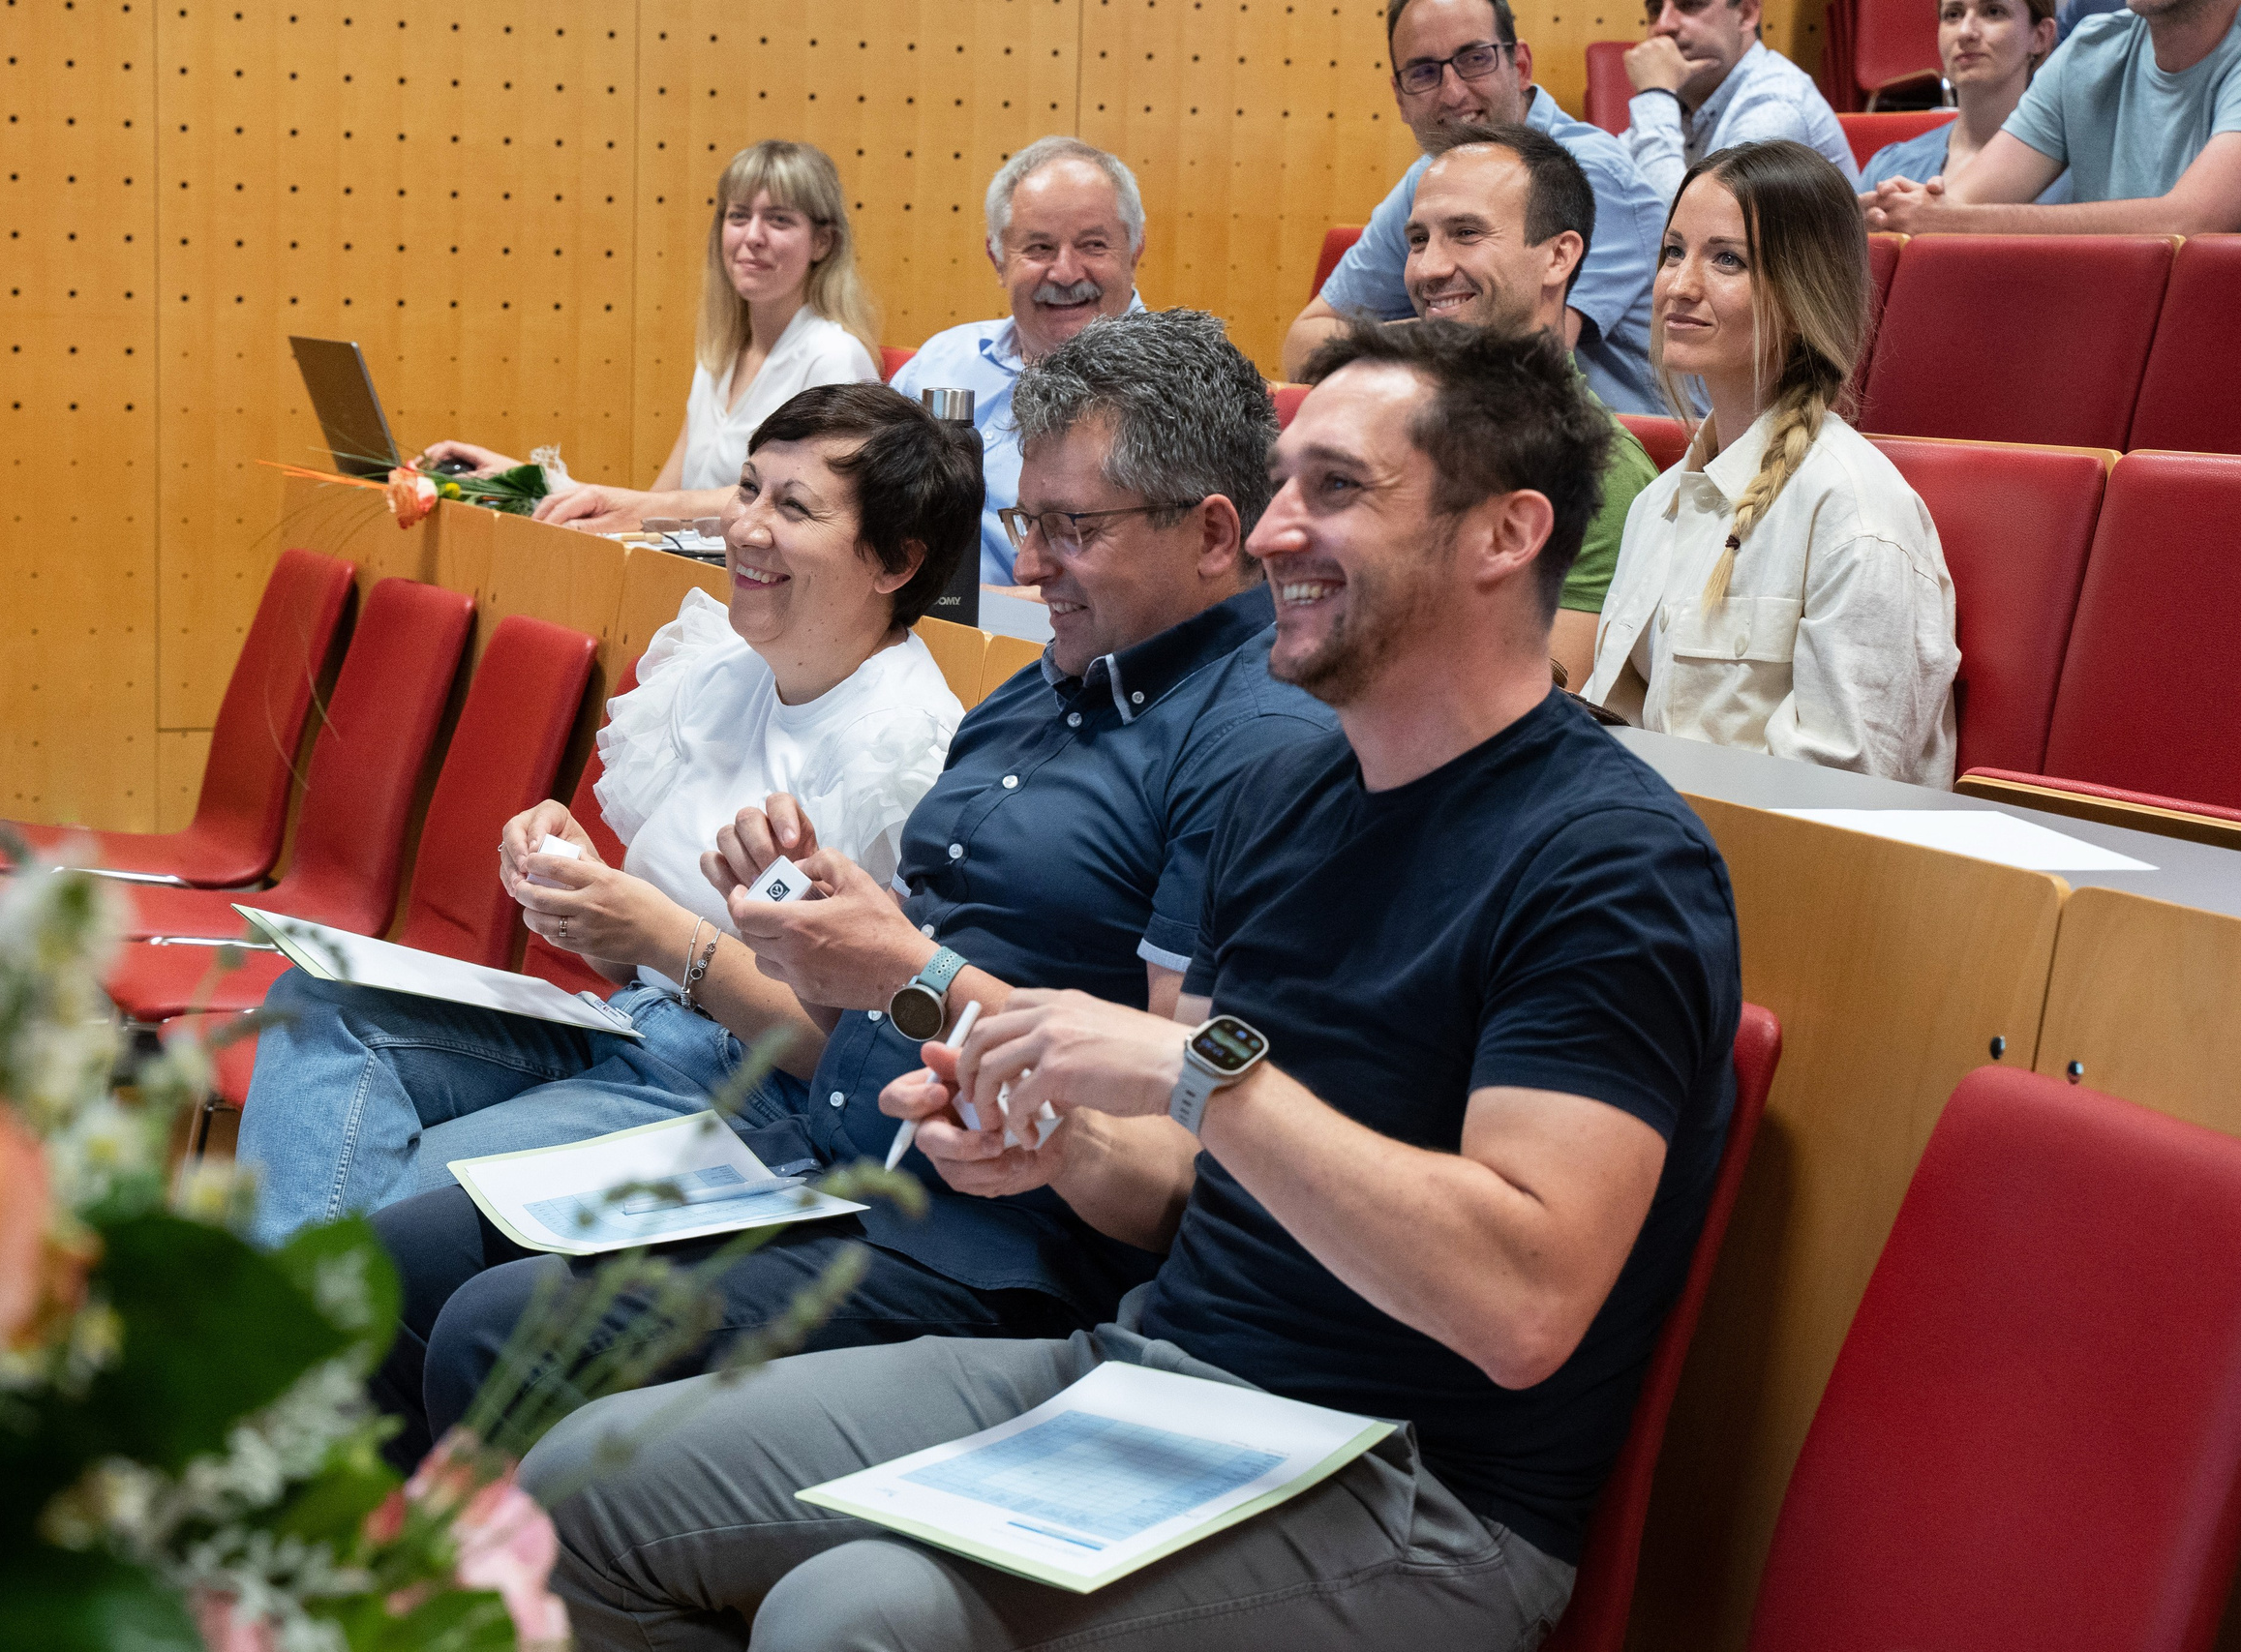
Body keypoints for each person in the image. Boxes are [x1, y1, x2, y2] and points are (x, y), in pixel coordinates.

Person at [518, 317, 1744, 1652]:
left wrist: (1197, 1075)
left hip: (1417, 1487)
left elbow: (1521, 1304)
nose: (1273, 531)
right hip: (1167, 1369)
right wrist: (1060, 1142)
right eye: (1284, 485)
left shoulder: (1610, 861)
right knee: (579, 1489)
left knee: (857, 1612)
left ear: (1506, 533)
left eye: (1336, 489)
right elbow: (1190, 1180)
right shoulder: (1289, 794)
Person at [359, 310, 1337, 1467]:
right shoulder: (1043, 691)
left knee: (501, 1331)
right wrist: (806, 927)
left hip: (994, 1239)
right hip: (826, 1142)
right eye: (1026, 522)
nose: (1028, 568)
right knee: (401, 1263)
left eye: (1071, 529)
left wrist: (901, 970)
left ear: (1213, 532)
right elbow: (889, 989)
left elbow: (1176, 1125)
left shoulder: (1252, 743)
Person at [234, 382, 978, 1248]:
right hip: (625, 1025)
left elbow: (854, 1061)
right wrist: (576, 887)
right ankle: (302, 1313)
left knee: (385, 1211)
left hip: (749, 1098)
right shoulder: (721, 670)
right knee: (316, 1007)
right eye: (747, 489)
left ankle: (292, 1314)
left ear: (895, 563)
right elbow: (629, 957)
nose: (745, 527)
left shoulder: (911, 750)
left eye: (794, 507)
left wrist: (665, 936)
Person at [1585, 141, 1959, 785]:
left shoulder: (1855, 513)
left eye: (1726, 259)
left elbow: (1840, 795)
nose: (1679, 285)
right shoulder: (1658, 504)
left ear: (1801, 292)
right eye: (1673, 251)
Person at [421, 140, 881, 528]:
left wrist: (614, 502)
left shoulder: (834, 357)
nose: (753, 236)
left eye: (779, 220)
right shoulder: (719, 356)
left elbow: (800, 503)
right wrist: (522, 481)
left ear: (823, 243)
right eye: (739, 216)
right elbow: (658, 504)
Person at [1283, 0, 1671, 416]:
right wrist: (1450, 321)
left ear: (1520, 66)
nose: (1452, 93)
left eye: (1475, 59)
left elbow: (1524, 359)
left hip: (1632, 446)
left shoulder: (1587, 172)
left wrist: (1429, 325)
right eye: (1424, 72)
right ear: (1400, 98)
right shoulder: (1433, 176)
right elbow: (1303, 347)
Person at [1401, 124, 1663, 686]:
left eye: (1466, 233)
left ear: (1558, 257)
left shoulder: (1598, 469)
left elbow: (1538, 708)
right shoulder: (1384, 431)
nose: (1427, 268)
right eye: (1418, 240)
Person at [889, 136, 1149, 584]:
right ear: (997, 259)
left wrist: (974, 613)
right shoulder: (940, 363)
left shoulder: (1181, 389)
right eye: (1039, 248)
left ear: (1135, 249)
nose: (1065, 273)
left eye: (1092, 245)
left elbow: (1146, 597)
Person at [1863, 0, 2241, 232]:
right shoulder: (2089, 49)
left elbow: (2192, 222)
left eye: (1992, 11)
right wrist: (1893, 214)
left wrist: (1946, 220)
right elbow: (1958, 201)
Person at [1623, 0, 1860, 198]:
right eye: (1655, 9)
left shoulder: (1777, 107)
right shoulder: (1684, 98)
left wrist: (1654, 94)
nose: (1663, 25)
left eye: (1691, 4)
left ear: (1746, 14)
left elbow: (1687, 227)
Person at [1859, 0, 2071, 203]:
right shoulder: (1888, 170)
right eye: (1953, 15)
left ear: (2040, 37)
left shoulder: (2077, 175)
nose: (1965, 32)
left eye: (1993, 11)